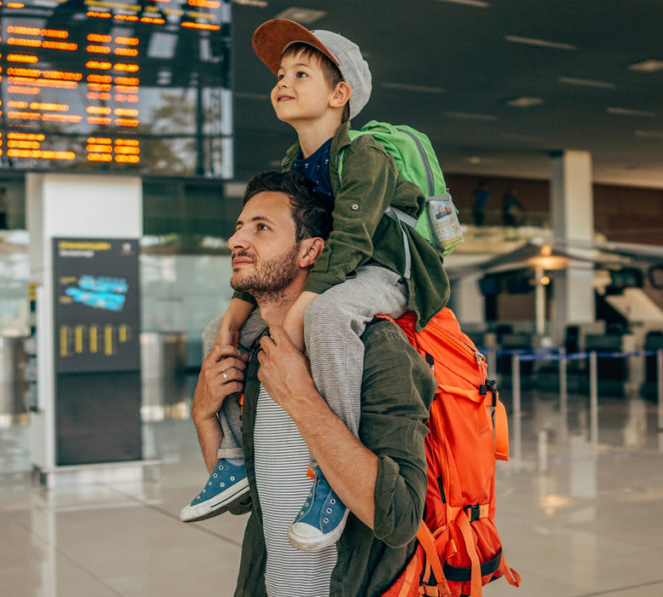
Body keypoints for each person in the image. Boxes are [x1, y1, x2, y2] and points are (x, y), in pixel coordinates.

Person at [179, 19, 449, 553]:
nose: (283, 81)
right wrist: (231, 325)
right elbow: (293, 248)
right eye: (281, 74)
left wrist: (297, 312)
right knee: (220, 324)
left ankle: (332, 472)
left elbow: (345, 245)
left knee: (326, 316)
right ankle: (233, 461)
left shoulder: (365, 157)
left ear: (340, 94)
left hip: (387, 271)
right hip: (338, 273)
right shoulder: (294, 166)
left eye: (301, 73)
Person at [191, 170, 433, 597]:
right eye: (239, 228)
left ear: (310, 251)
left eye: (261, 228)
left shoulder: (375, 348)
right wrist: (204, 415)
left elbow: (397, 517)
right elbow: (248, 502)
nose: (236, 241)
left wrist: (301, 397)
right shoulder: (254, 352)